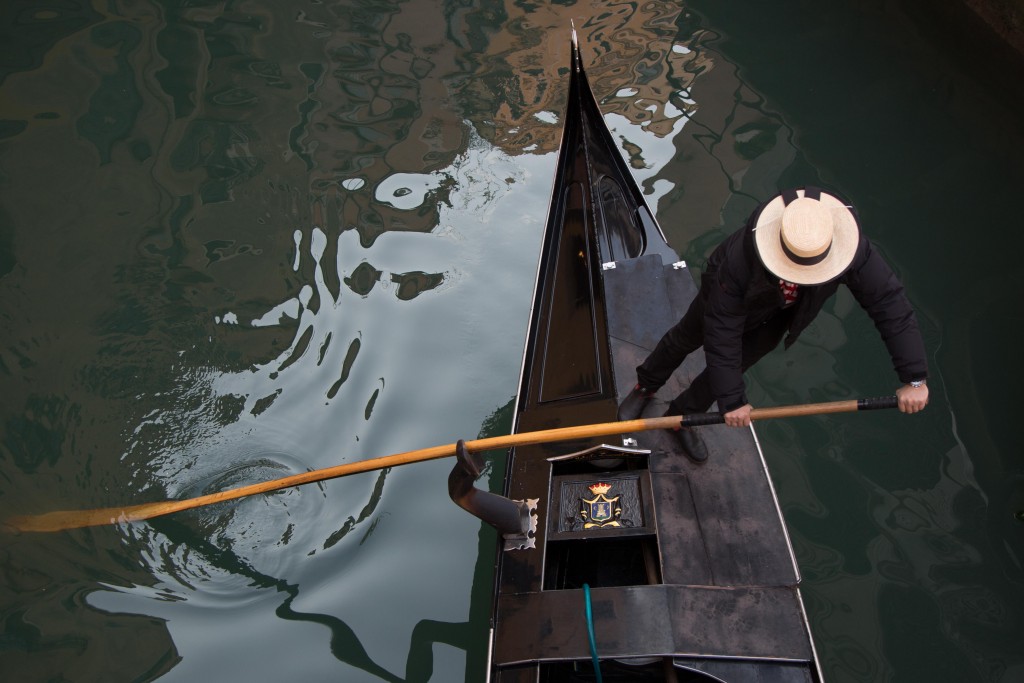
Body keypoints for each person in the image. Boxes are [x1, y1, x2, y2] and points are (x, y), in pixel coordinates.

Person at [617, 186, 929, 462]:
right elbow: (721, 331)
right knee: (685, 338)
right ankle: (645, 386)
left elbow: (890, 305)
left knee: (735, 365)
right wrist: (733, 400)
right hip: (727, 297)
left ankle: (682, 417)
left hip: (782, 312)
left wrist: (914, 378)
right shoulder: (741, 259)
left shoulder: (852, 248)